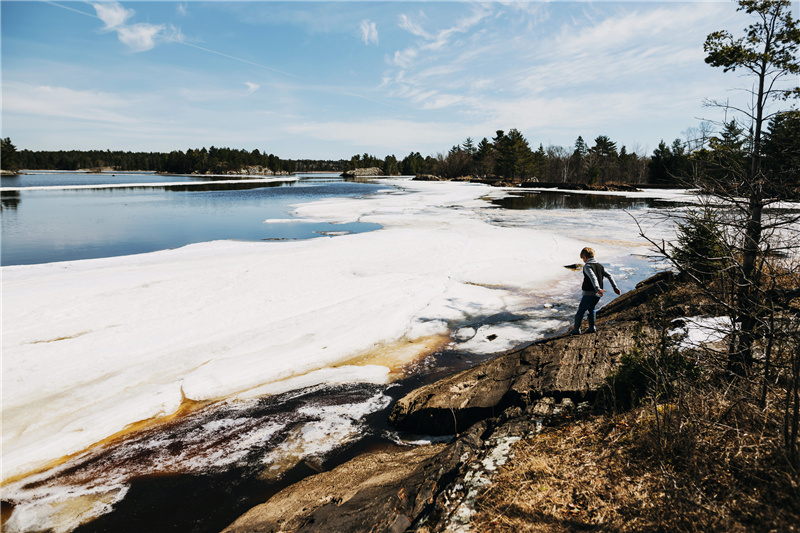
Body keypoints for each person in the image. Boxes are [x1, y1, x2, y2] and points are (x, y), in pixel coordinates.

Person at [570, 247, 621, 335]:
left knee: (581, 310)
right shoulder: (600, 266)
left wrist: (597, 289)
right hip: (598, 294)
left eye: (583, 259)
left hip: (590, 292)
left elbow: (593, 277)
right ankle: (592, 328)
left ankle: (576, 330)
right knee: (592, 309)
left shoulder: (587, 266)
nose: (583, 261)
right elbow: (609, 275)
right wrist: (615, 287)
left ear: (585, 257)